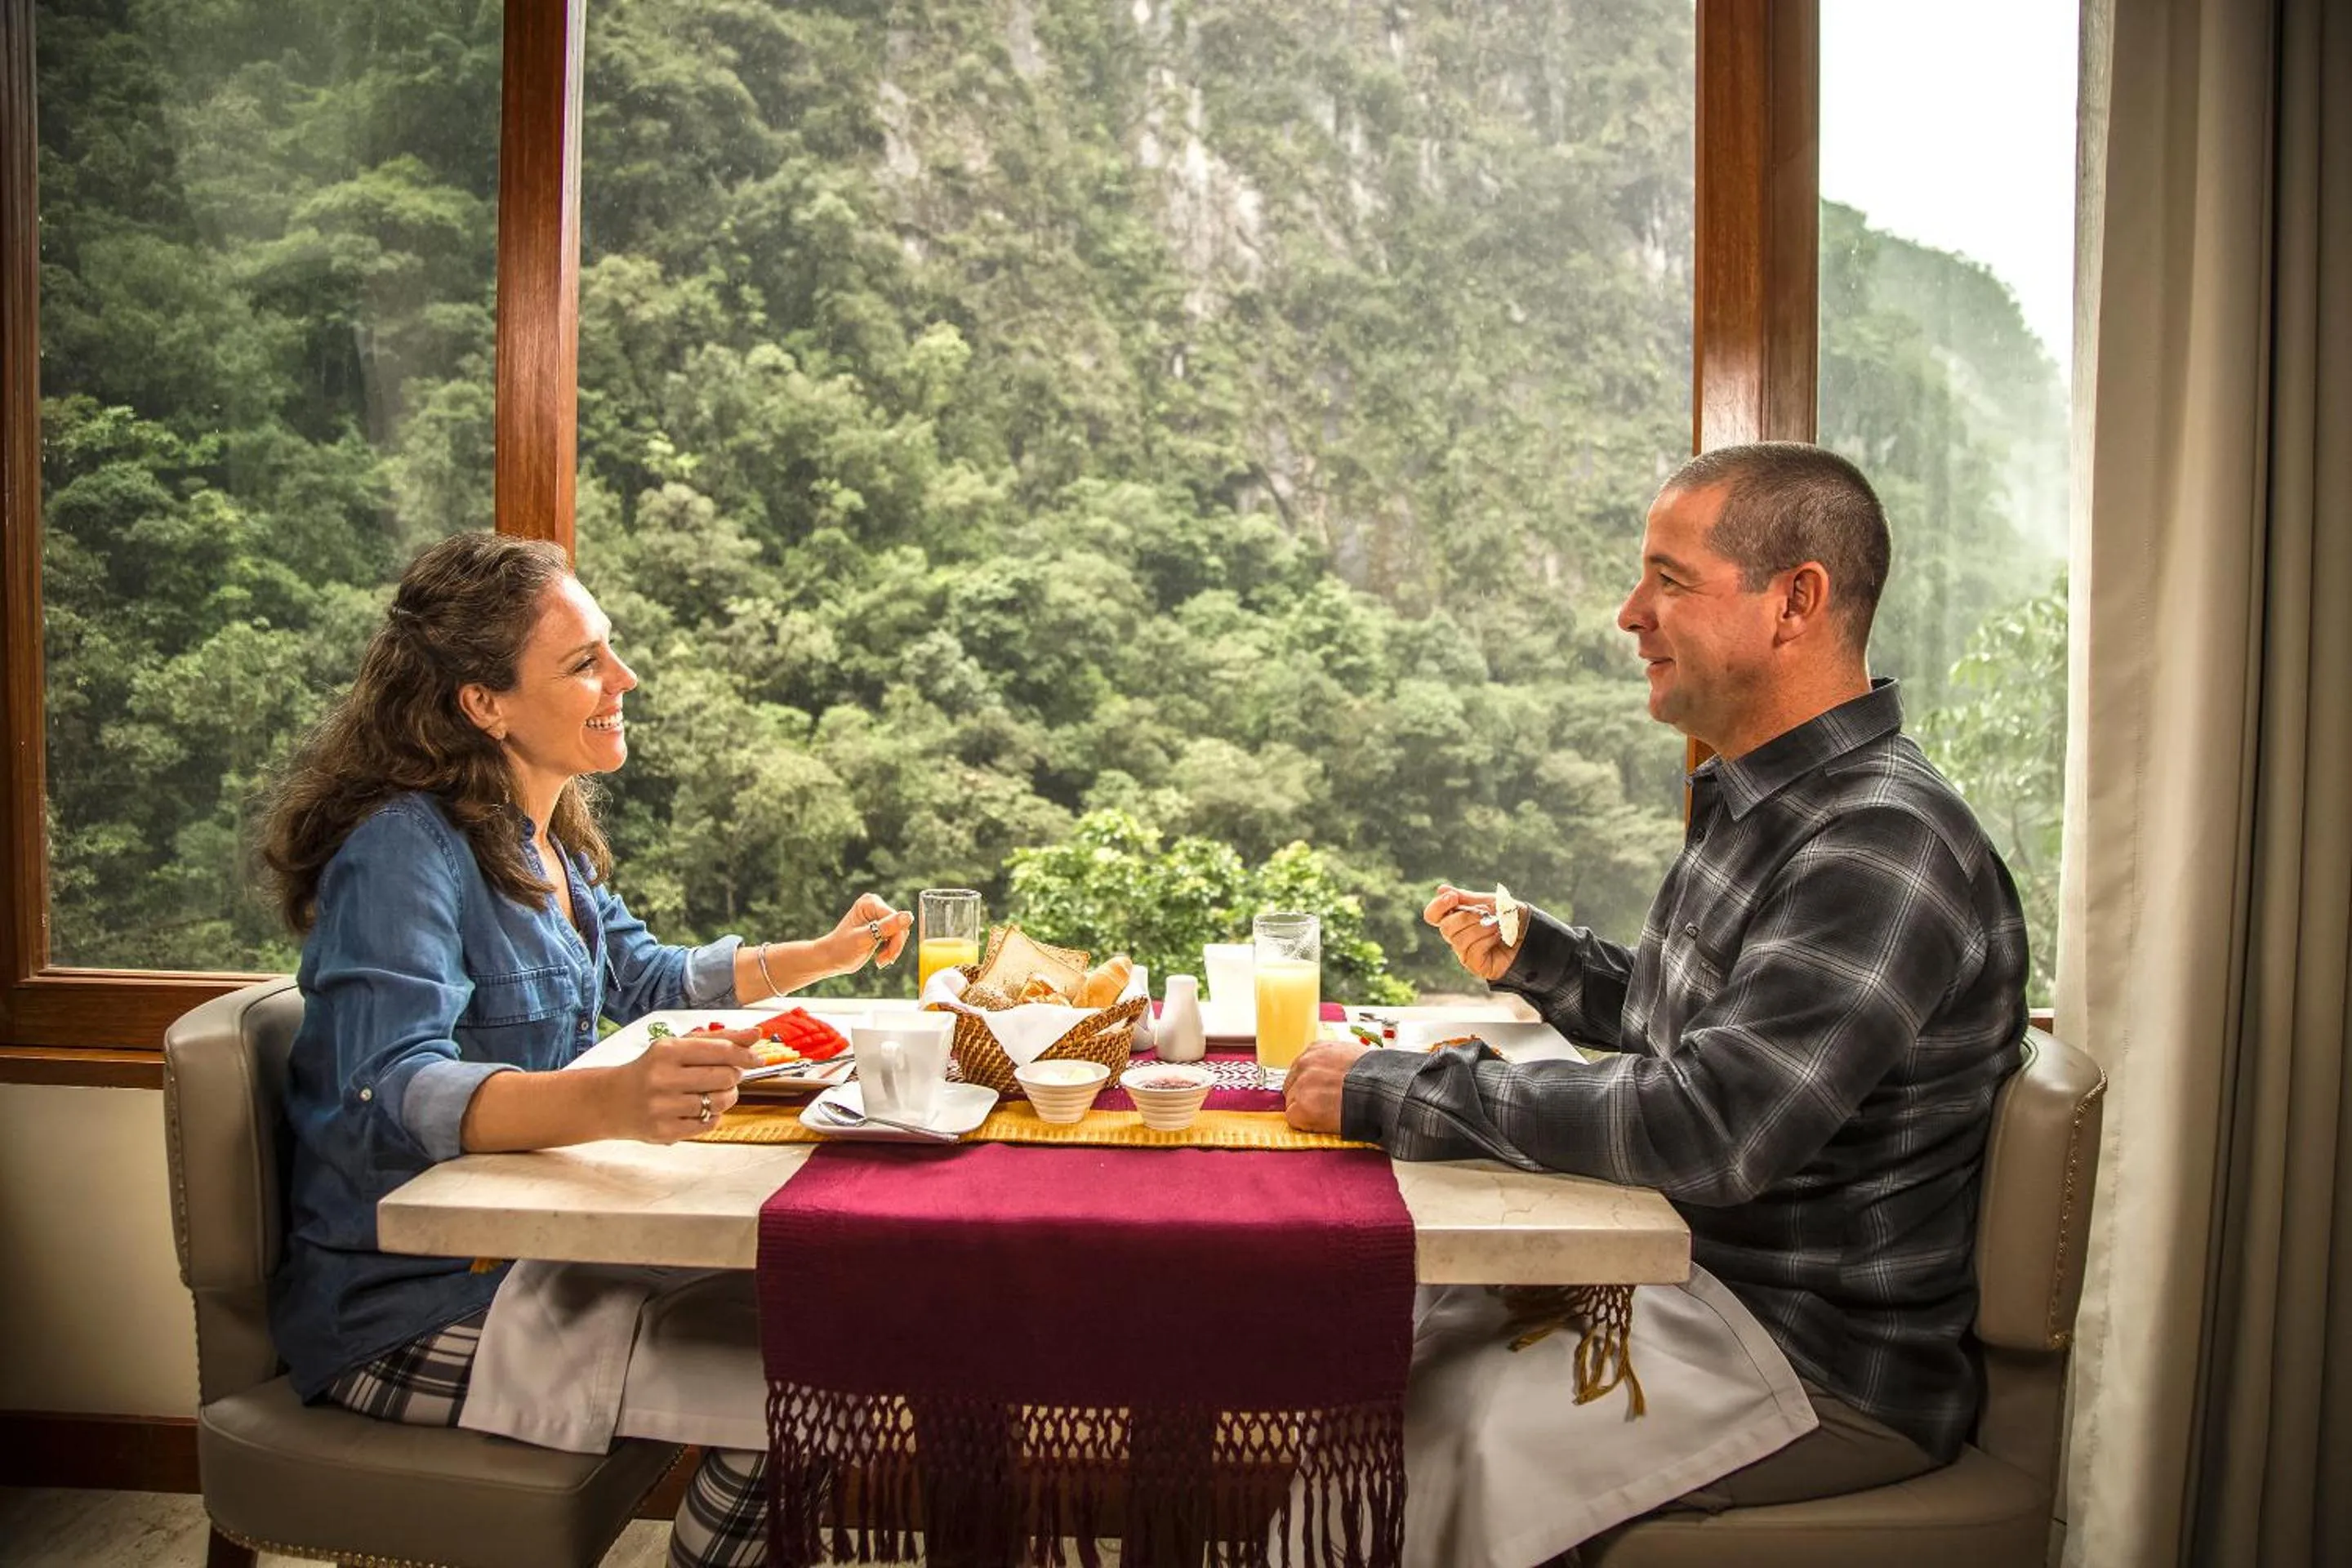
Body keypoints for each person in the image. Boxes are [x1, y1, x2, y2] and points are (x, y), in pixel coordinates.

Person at [1283, 442, 2029, 1566]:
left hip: (1810, 1355)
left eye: (1669, 581)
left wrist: (1397, 1092)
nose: (1630, 614)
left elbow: (1716, 1125)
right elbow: (1710, 1036)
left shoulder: (1884, 842)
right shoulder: (1770, 804)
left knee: (1451, 1430)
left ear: (1797, 602)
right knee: (1380, 1355)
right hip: (1692, 1281)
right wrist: (1546, 961)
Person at [260, 531, 912, 1568]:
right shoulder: (400, 851)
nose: (625, 677)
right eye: (584, 663)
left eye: (609, 649)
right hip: (406, 1305)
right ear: (485, 703)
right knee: (809, 1396)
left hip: (539, 1253)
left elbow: (646, 979)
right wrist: (613, 1101)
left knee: (834, 1313)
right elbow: (392, 1085)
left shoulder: (537, 842)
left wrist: (822, 958)